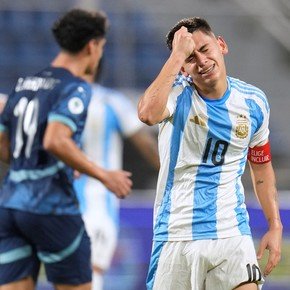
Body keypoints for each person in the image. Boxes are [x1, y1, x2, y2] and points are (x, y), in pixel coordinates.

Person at [138, 17, 282, 290]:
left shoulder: (253, 103)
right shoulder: (176, 97)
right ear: (181, 68)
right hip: (177, 235)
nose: (201, 61)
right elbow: (147, 113)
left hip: (232, 233)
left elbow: (261, 168)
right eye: (190, 58)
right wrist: (176, 56)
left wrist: (275, 225)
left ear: (222, 45)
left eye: (205, 49)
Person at [0, 8, 132, 290]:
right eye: (102, 47)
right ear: (92, 46)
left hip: (11, 205)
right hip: (52, 207)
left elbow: (3, 144)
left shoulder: (25, 84)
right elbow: (56, 140)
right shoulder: (76, 88)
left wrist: (38, 165)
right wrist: (104, 175)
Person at [74, 62, 160, 290]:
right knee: (92, 271)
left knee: (68, 274)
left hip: (60, 203)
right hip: (97, 202)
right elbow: (147, 146)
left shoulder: (56, 101)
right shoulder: (110, 102)